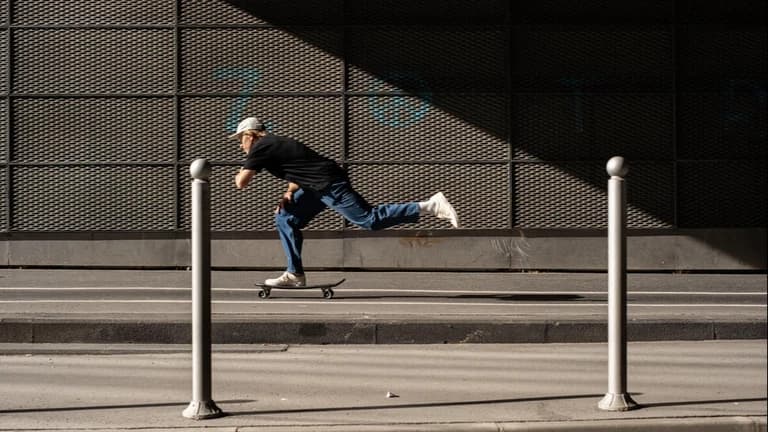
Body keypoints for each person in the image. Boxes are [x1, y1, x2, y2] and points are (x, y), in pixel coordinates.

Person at [231, 117, 459, 287]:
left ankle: (430, 205)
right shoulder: (275, 143)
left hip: (329, 185)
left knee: (370, 220)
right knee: (285, 217)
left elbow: (241, 183)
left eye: (241, 140)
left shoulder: (260, 147)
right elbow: (300, 167)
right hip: (316, 186)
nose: (241, 145)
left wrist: (238, 172)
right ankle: (294, 274)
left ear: (250, 135)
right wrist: (289, 192)